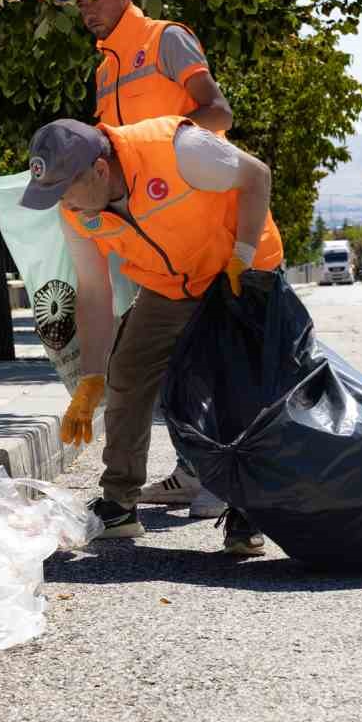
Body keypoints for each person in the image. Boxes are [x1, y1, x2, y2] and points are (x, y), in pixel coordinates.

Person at [18, 114, 283, 555]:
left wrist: (242, 254)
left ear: (101, 170)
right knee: (127, 369)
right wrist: (89, 378)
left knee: (237, 383)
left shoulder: (178, 149)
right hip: (171, 281)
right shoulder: (77, 212)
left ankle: (246, 508)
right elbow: (95, 293)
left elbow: (257, 175)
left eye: (65, 190)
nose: (62, 203)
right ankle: (119, 505)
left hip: (239, 268)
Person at [56, 0, 232, 517]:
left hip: (203, 227)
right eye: (79, 2)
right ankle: (128, 498)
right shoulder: (105, 71)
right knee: (138, 368)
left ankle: (233, 494)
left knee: (222, 371)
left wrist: (162, 154)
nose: (86, 10)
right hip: (157, 247)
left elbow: (218, 112)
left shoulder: (165, 40)